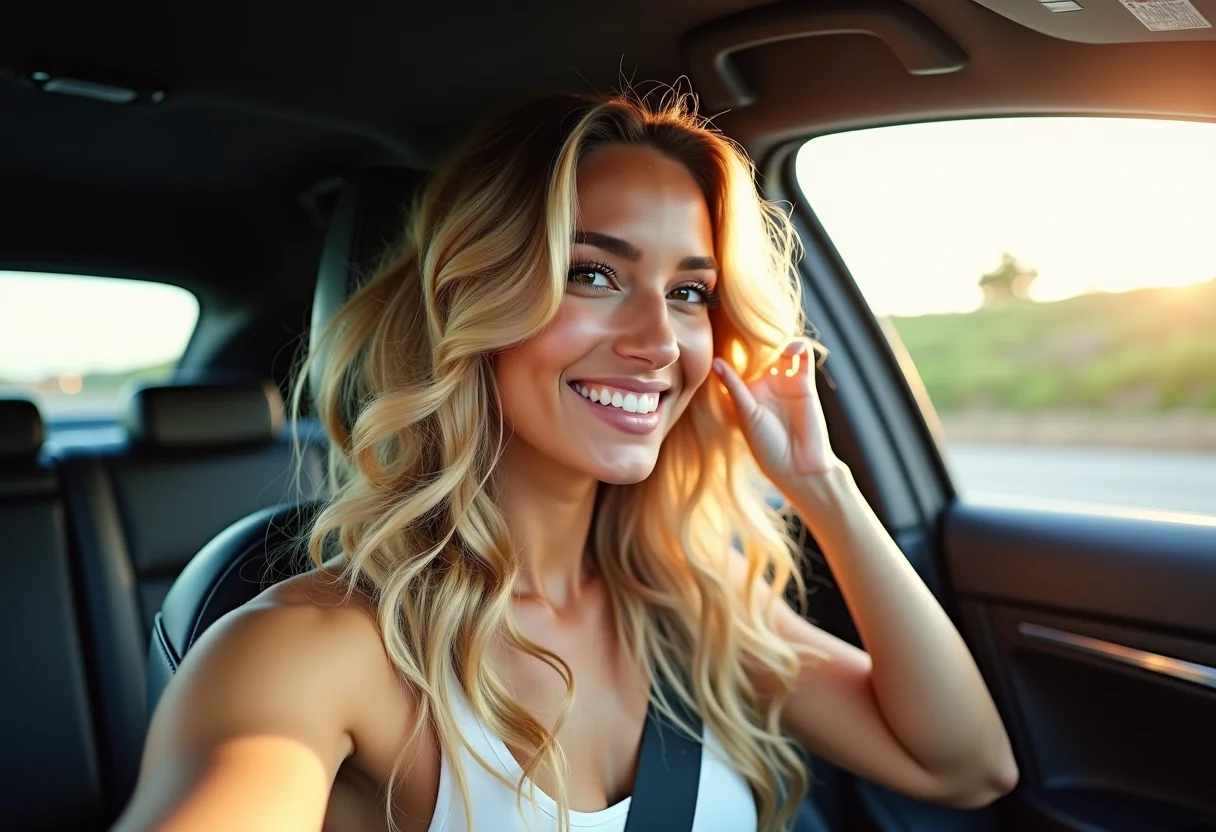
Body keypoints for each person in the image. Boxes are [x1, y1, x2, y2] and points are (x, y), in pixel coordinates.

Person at [113, 88, 1017, 832]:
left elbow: (969, 769)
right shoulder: (311, 648)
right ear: (475, 302)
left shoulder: (693, 611)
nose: (659, 339)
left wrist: (822, 487)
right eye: (593, 273)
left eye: (690, 292)